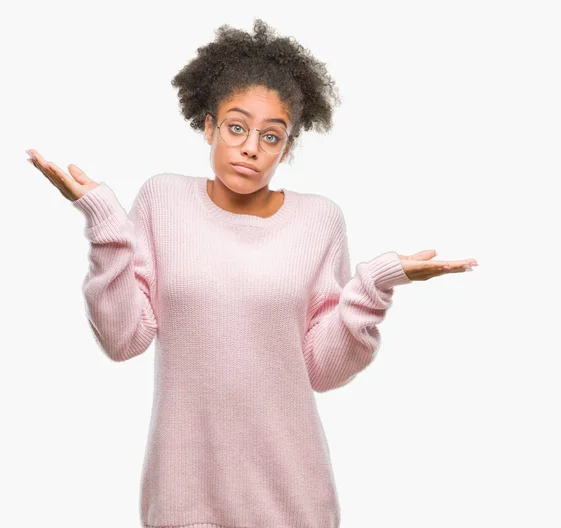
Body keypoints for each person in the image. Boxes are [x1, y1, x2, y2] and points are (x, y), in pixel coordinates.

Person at [26, 18, 478, 528]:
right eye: (237, 126)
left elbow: (324, 369)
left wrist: (373, 285)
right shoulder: (162, 199)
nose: (251, 147)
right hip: (183, 495)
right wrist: (105, 221)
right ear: (208, 125)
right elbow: (123, 338)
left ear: (287, 147)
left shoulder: (319, 220)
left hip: (292, 497)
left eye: (272, 135)